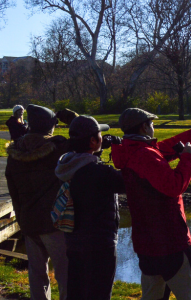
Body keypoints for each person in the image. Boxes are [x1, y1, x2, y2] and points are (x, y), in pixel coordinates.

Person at [110, 108, 191, 300]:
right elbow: (173, 186)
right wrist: (187, 159)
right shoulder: (146, 155)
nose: (153, 127)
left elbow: (173, 144)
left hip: (146, 243)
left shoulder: (132, 150)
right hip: (171, 241)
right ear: (144, 127)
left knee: (152, 295)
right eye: (152, 123)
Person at [55, 116, 124, 300]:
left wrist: (95, 153)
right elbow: (129, 182)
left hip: (74, 242)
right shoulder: (101, 173)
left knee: (76, 292)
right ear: (93, 141)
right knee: (100, 294)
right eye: (100, 135)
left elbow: (83, 163)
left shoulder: (66, 166)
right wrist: (122, 151)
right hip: (100, 245)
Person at [5, 104, 69, 300]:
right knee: (66, 274)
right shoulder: (57, 150)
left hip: (29, 221)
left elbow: (13, 193)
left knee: (36, 274)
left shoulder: (15, 155)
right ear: (50, 125)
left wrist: (22, 219)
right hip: (55, 221)